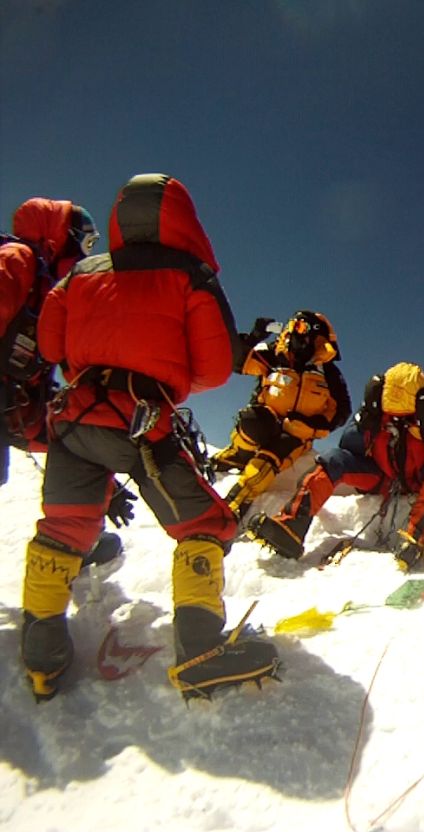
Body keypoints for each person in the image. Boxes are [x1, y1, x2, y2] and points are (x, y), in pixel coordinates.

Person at [20, 173, 278, 702]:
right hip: (139, 421)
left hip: (72, 418)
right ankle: (202, 648)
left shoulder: (80, 274)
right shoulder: (190, 276)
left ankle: (42, 655)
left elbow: (50, 344)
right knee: (204, 524)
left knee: (65, 528)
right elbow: (212, 367)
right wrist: (164, 375)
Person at [1, 197, 135, 563]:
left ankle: (80, 533)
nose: (85, 256)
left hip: (18, 404)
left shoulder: (49, 290)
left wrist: (101, 488)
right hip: (8, 400)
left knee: (80, 434)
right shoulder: (17, 260)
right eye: (87, 244)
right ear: (64, 236)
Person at [248, 361, 424, 568]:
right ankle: (291, 527)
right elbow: (348, 446)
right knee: (334, 459)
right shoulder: (378, 406)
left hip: (423, 478)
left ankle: (414, 538)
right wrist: (364, 424)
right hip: (384, 478)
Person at [212, 309, 350, 519]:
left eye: (299, 327)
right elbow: (233, 361)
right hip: (265, 420)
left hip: (296, 433)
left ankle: (234, 504)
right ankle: (235, 456)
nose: (292, 332)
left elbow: (340, 410)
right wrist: (252, 338)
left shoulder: (328, 372)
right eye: (291, 325)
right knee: (253, 421)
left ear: (314, 334)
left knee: (269, 460)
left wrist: (312, 425)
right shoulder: (274, 354)